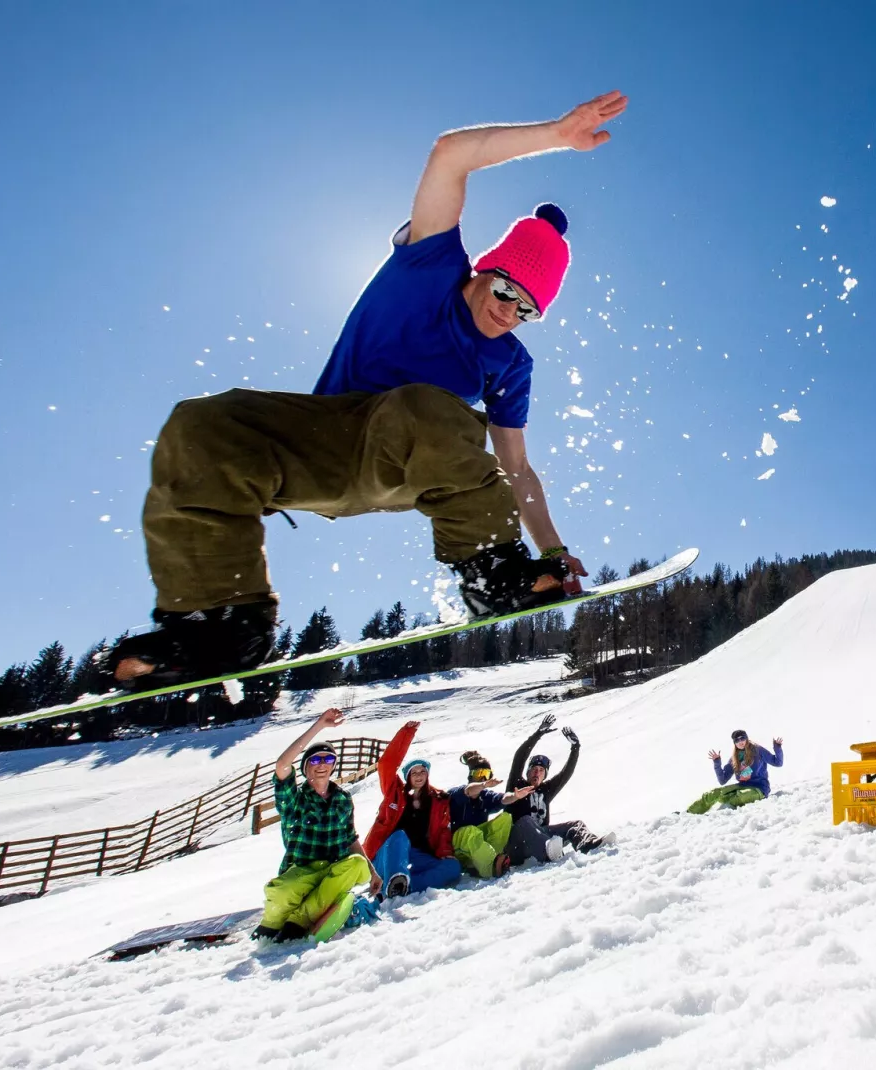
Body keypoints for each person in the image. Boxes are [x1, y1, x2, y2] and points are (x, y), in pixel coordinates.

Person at [104, 90, 630, 690]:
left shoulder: (510, 363)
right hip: (323, 444)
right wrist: (557, 135)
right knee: (201, 426)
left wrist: (553, 552)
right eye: (507, 291)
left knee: (428, 407)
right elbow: (450, 155)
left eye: (528, 311)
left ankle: (491, 570)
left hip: (413, 464)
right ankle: (216, 619)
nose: (509, 313)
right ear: (486, 267)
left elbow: (517, 469)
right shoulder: (428, 266)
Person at [256, 708, 378, 942]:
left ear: (334, 766)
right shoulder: (295, 799)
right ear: (306, 767)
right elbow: (282, 765)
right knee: (280, 893)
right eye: (316, 760)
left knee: (357, 864)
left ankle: (299, 920)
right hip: (300, 873)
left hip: (331, 872)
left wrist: (373, 872)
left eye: (328, 759)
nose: (322, 764)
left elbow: (350, 838)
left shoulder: (342, 799)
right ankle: (273, 923)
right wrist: (319, 726)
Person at [363, 720, 463, 897]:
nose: (418, 776)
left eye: (422, 771)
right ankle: (393, 878)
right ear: (407, 776)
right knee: (401, 836)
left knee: (453, 867)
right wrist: (406, 733)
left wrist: (445, 852)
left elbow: (442, 830)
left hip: (417, 855)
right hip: (388, 852)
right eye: (414, 772)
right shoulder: (394, 793)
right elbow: (386, 764)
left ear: (428, 775)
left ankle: (402, 886)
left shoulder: (438, 800)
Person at [503, 714, 608, 863]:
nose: (537, 773)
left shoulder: (546, 790)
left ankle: (588, 845)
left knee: (575, 825)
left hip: (544, 838)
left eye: (541, 770)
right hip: (517, 845)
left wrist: (575, 747)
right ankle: (548, 852)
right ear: (527, 772)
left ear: (544, 775)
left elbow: (566, 774)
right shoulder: (517, 785)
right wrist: (538, 734)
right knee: (525, 821)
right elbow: (519, 757)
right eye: (534, 769)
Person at [447, 750, 521, 878]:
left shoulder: (485, 796)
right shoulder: (458, 793)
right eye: (479, 773)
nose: (482, 778)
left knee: (505, 818)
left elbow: (503, 798)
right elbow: (469, 791)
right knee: (469, 831)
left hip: (478, 845)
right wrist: (483, 785)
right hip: (458, 847)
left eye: (486, 774)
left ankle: (494, 858)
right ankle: (491, 867)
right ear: (471, 776)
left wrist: (515, 796)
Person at [687, 730, 785, 813]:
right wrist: (717, 763)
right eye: (737, 740)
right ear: (734, 743)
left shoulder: (758, 750)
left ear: (746, 738)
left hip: (759, 788)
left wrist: (777, 748)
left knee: (742, 796)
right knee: (714, 793)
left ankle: (723, 810)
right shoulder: (734, 758)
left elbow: (778, 763)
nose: (740, 741)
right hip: (742, 786)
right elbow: (722, 780)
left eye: (742, 738)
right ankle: (689, 813)